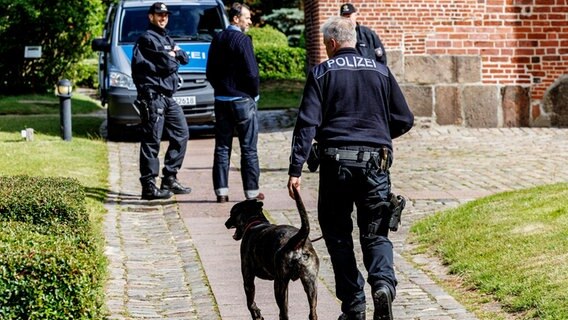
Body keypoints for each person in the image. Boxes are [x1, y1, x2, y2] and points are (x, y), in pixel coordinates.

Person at [287, 16, 414, 320]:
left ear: (331, 43)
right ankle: (383, 285)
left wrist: (295, 169)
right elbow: (404, 119)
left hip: (336, 166)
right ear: (354, 40)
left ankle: (354, 306)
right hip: (376, 165)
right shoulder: (381, 72)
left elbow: (306, 124)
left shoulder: (322, 72)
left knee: (338, 235)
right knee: (377, 233)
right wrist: (378, 136)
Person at [131, 2, 192, 200]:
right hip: (153, 97)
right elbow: (167, 63)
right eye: (159, 15)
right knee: (152, 141)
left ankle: (169, 178)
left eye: (165, 15)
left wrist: (173, 54)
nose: (163, 18)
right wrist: (172, 55)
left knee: (181, 133)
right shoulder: (147, 39)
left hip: (167, 97)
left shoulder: (165, 37)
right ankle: (148, 186)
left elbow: (184, 57)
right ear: (151, 17)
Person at [206, 3, 263, 203]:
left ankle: (221, 191)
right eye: (247, 18)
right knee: (248, 148)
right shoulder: (242, 40)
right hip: (242, 100)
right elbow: (252, 72)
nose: (249, 21)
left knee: (222, 147)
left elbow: (209, 72)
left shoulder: (217, 38)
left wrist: (220, 89)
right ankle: (252, 193)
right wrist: (253, 94)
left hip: (221, 100)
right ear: (236, 19)